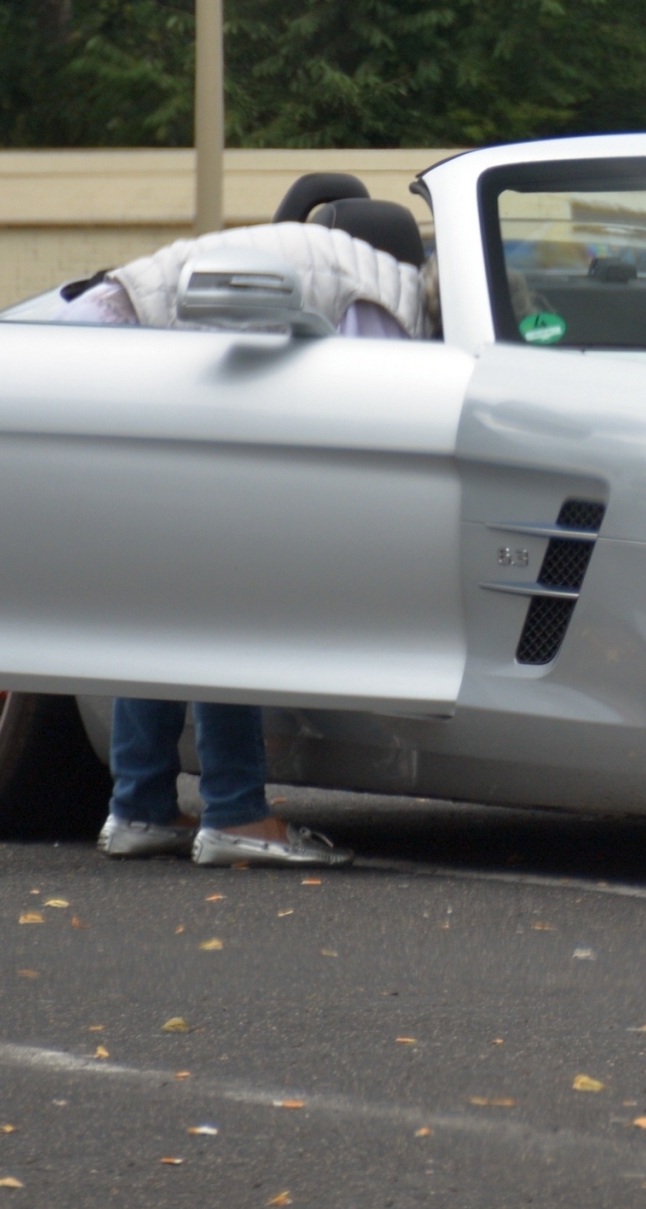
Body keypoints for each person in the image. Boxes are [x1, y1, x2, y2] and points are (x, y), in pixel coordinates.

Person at [62, 195, 438, 867]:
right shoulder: (388, 301)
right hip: (133, 349)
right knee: (228, 578)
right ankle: (237, 813)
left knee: (166, 587)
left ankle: (139, 809)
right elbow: (378, 433)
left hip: (99, 352)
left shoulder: (333, 264)